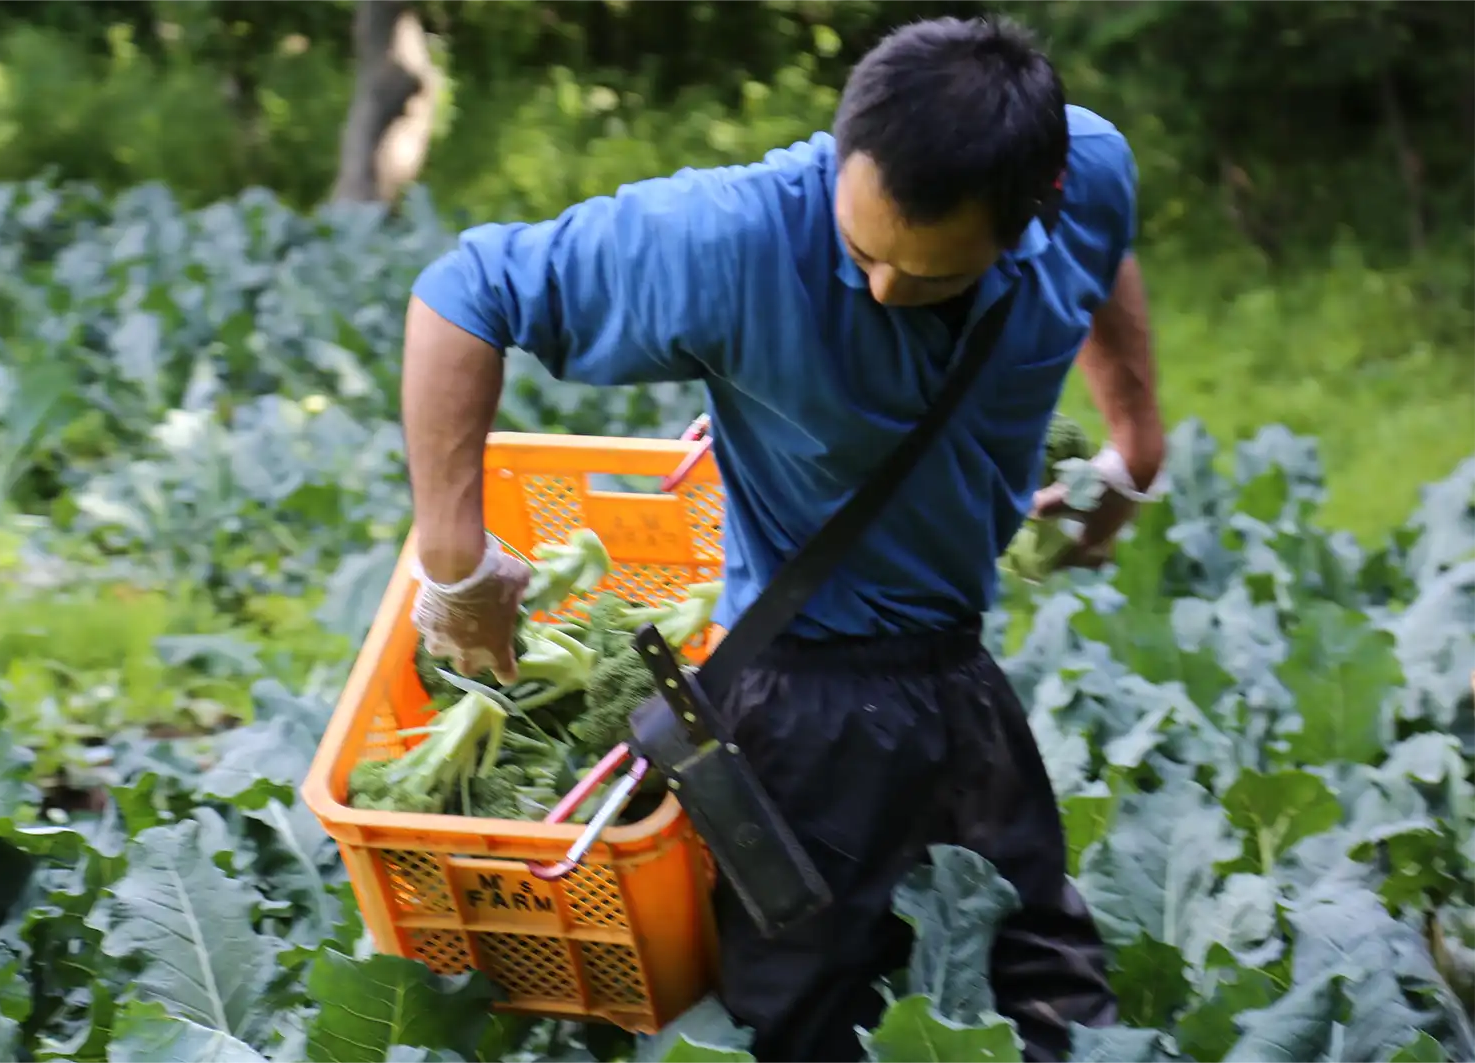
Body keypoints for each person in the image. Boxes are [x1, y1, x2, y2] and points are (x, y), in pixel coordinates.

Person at [400, 13, 1164, 1063]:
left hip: (958, 675)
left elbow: (1100, 246)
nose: (885, 290)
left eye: (929, 275)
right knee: (806, 1020)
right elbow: (464, 292)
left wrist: (1134, 447)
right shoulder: (734, 236)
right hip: (801, 707)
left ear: (1037, 206)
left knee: (1050, 990)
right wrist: (458, 567)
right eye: (863, 252)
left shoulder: (1089, 167)